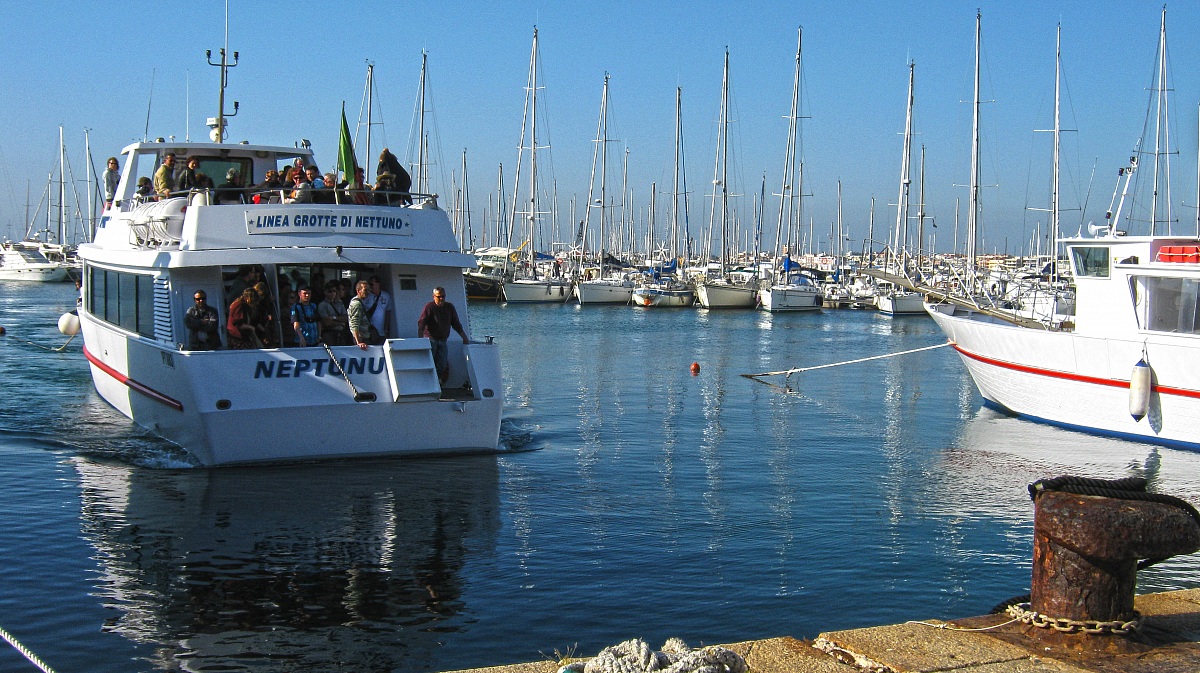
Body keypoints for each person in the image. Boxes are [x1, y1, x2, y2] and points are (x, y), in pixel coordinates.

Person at [417, 286, 468, 384]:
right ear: (433, 296)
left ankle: (438, 381)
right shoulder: (429, 307)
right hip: (431, 339)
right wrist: (420, 339)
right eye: (438, 296)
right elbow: (421, 323)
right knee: (430, 362)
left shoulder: (449, 307)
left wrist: (464, 338)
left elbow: (456, 324)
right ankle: (428, 383)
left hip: (443, 340)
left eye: (443, 296)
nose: (441, 299)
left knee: (442, 363)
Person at [363, 275, 391, 344]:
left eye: (371, 284)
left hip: (381, 332)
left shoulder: (386, 296)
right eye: (369, 284)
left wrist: (386, 329)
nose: (370, 286)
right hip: (367, 331)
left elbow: (388, 313)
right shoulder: (365, 296)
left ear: (378, 284)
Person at [347, 280, 371, 350]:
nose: (368, 292)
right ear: (358, 291)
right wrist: (358, 342)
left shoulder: (360, 302)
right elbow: (354, 323)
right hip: (361, 338)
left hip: (364, 336)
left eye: (369, 290)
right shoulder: (356, 304)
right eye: (365, 290)